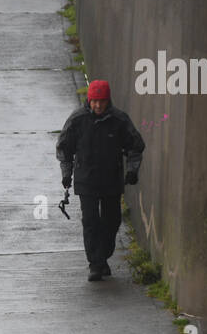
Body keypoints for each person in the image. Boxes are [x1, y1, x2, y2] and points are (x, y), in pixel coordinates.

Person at [56, 80, 145, 282]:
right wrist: (66, 173)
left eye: (101, 102)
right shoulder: (77, 120)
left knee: (112, 220)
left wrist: (132, 170)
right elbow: (64, 148)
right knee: (90, 221)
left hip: (111, 180)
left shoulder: (119, 120)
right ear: (89, 100)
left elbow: (136, 145)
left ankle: (102, 256)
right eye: (94, 101)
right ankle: (95, 264)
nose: (97, 106)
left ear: (108, 101)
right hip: (85, 180)